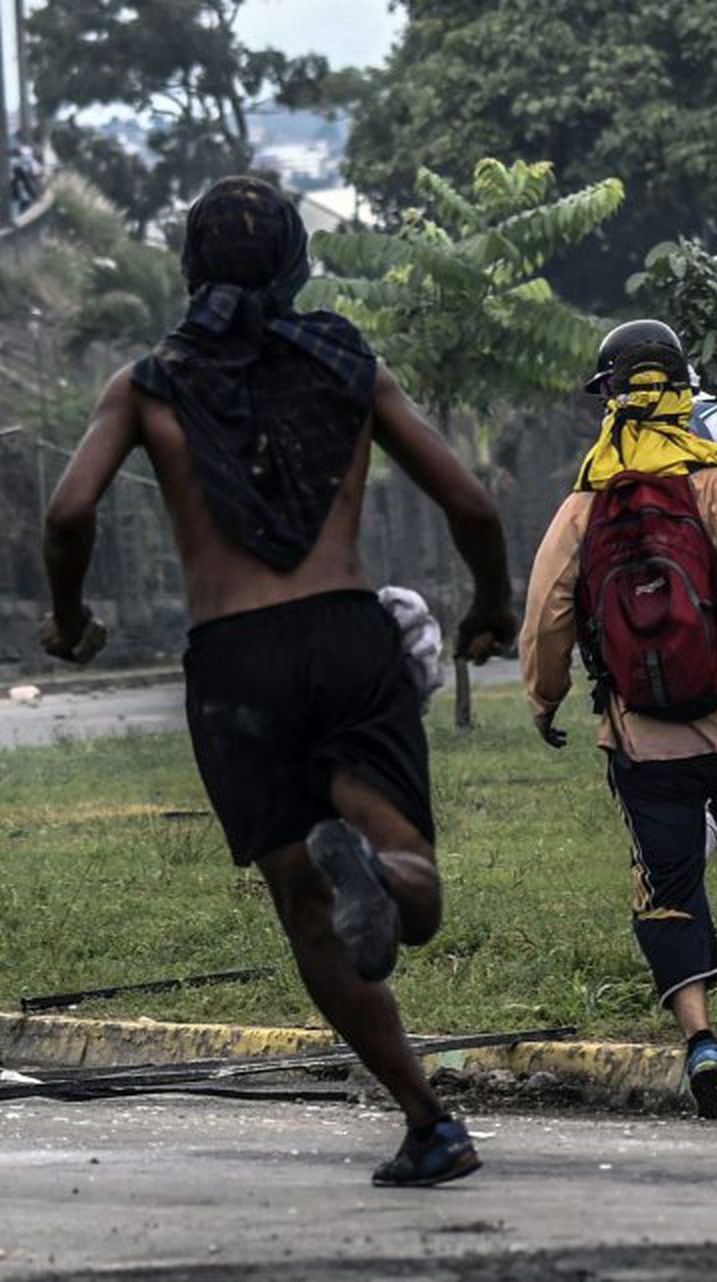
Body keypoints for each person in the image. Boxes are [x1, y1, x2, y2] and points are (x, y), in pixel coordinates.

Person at [39, 176, 513, 1186]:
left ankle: (431, 1122)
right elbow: (470, 500)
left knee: (305, 905)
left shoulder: (149, 382)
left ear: (190, 269)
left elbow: (69, 512)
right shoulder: (348, 365)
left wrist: (72, 618)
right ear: (298, 260)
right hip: (348, 636)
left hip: (234, 662)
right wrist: (489, 604)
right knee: (406, 880)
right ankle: (389, 873)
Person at [521, 328, 717, 1121]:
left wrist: (545, 696)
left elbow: (548, 611)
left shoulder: (584, 501)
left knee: (667, 880)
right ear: (685, 389)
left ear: (610, 395)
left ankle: (702, 1043)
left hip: (641, 734)